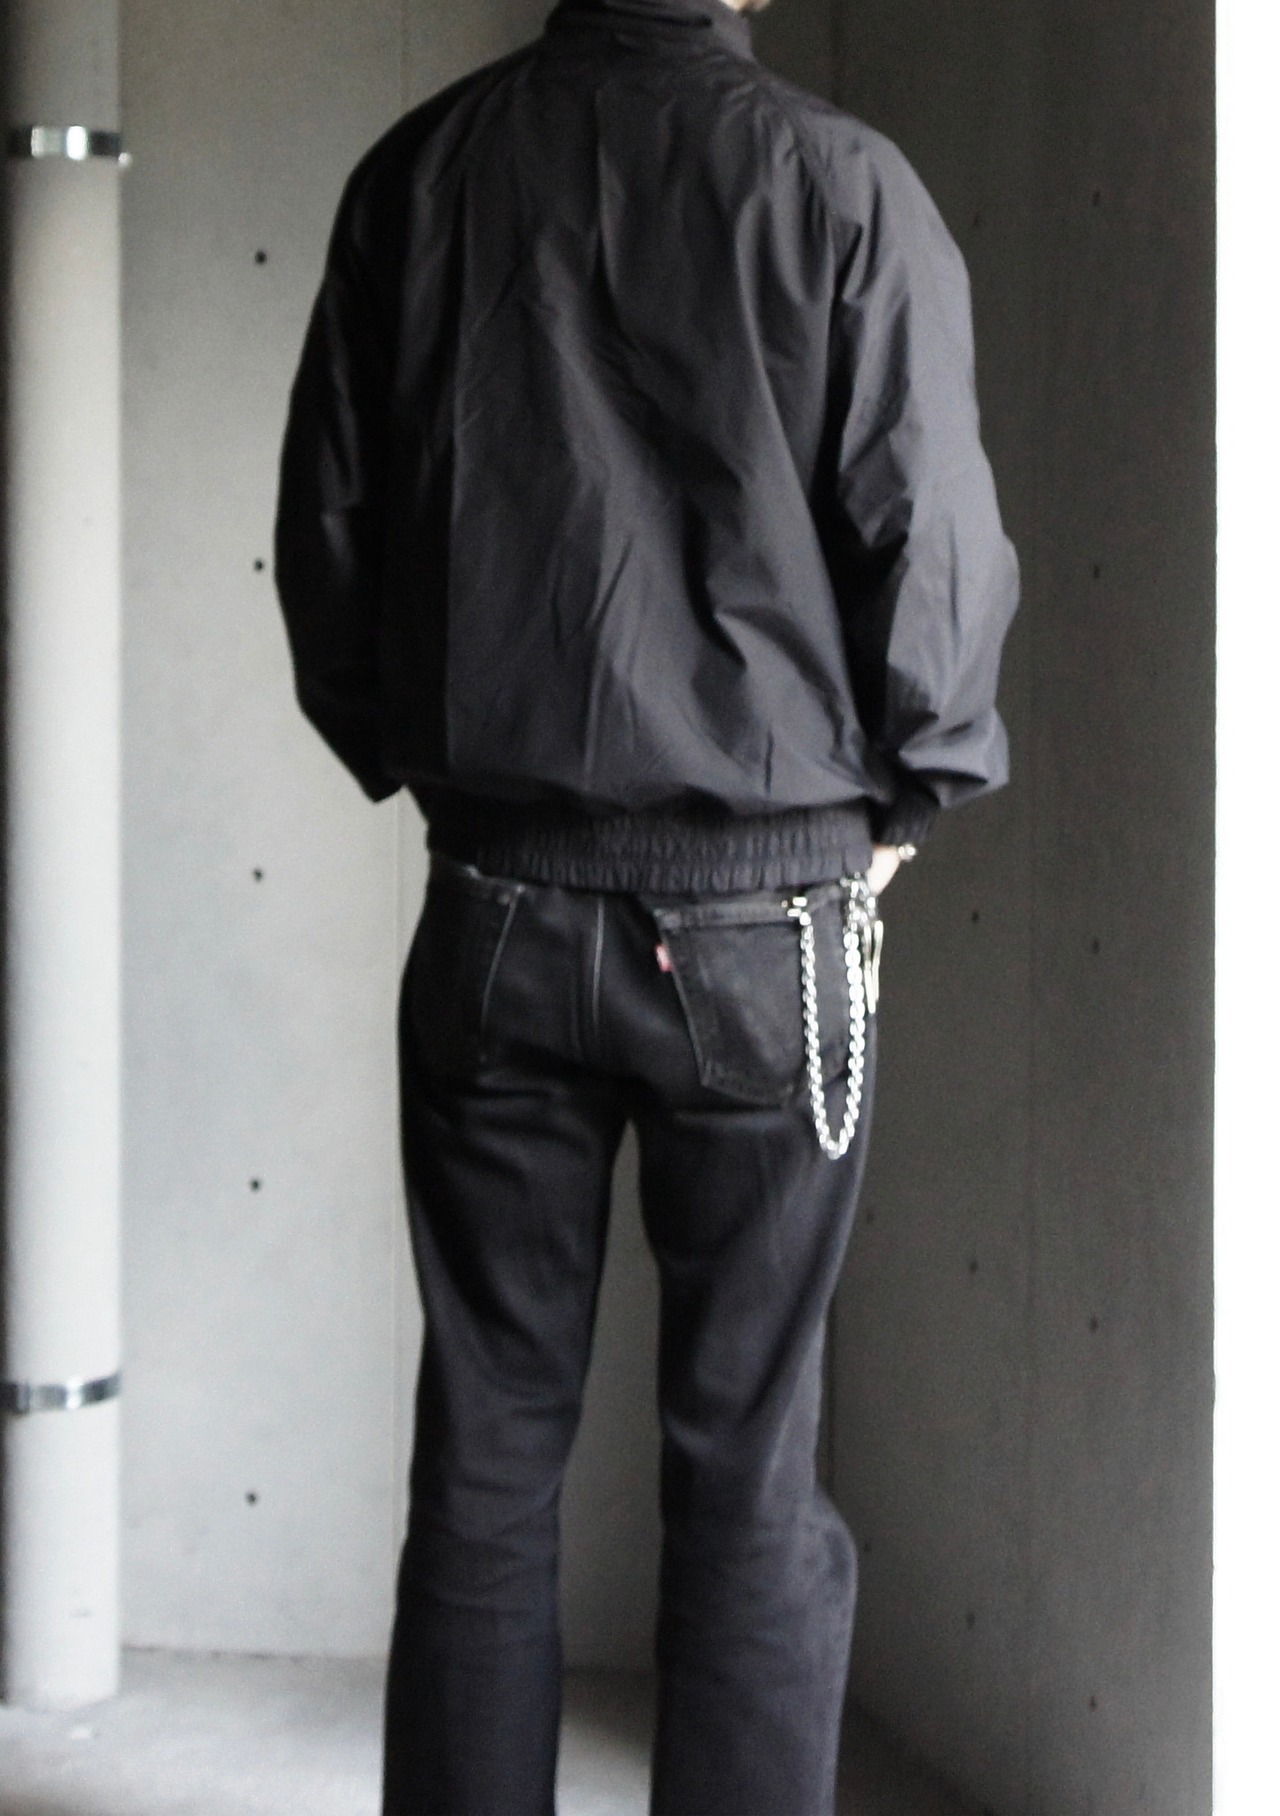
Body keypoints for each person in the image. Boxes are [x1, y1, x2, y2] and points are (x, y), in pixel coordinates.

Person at [273, 0, 1018, 1811]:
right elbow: (928, 546)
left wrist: (441, 774)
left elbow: (330, 541)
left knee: (485, 1459)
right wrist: (906, 797)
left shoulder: (421, 174)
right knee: (749, 1474)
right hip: (770, 931)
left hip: (497, 905)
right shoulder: (844, 187)